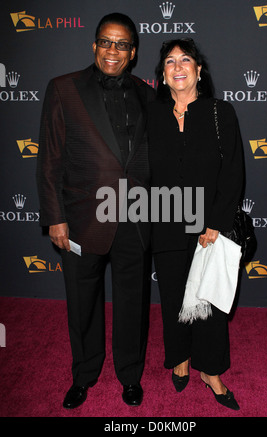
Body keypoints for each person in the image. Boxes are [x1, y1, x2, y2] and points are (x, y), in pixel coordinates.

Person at [36, 13, 155, 409]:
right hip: (82, 218)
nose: (113, 50)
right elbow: (50, 159)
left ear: (133, 52)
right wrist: (55, 216)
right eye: (106, 41)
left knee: (132, 303)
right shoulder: (63, 88)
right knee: (82, 302)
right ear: (94, 44)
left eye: (122, 44)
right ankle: (84, 375)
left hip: (136, 218)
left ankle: (130, 375)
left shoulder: (146, 92)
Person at [147, 38, 244, 410]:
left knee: (208, 302)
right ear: (163, 76)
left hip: (209, 226)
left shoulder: (221, 112)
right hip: (166, 222)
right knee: (173, 297)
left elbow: (233, 171)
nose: (178, 66)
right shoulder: (152, 115)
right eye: (169, 62)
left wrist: (216, 222)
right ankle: (181, 359)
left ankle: (211, 370)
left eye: (185, 59)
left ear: (198, 70)